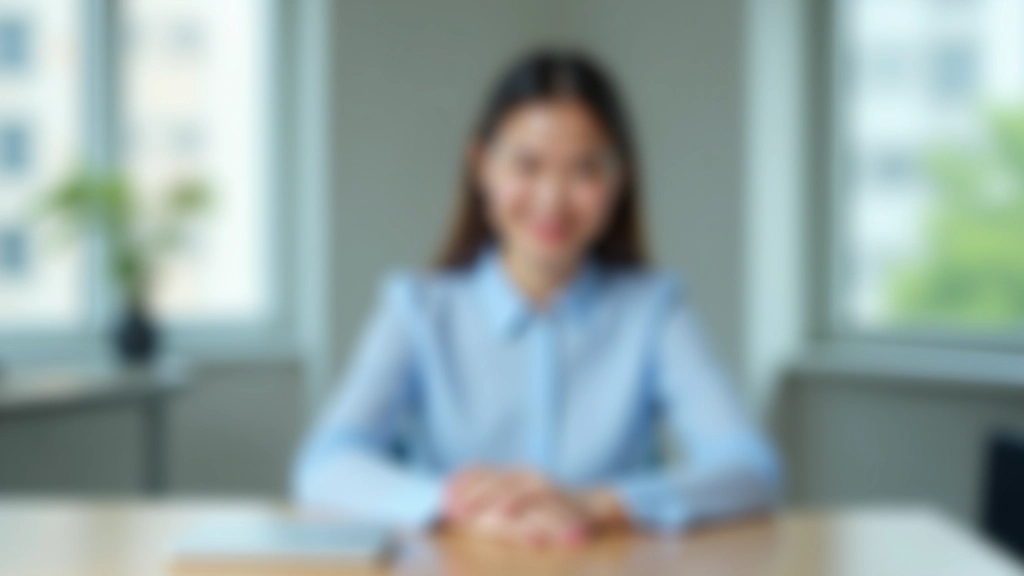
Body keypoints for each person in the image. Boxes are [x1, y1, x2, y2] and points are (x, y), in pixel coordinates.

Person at [293, 50, 781, 548]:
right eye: (526, 165)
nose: (551, 200)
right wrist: (458, 503)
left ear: (619, 178)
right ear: (481, 165)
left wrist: (597, 504)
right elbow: (326, 464)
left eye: (585, 170)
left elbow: (750, 469)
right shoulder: (418, 309)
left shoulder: (655, 311)